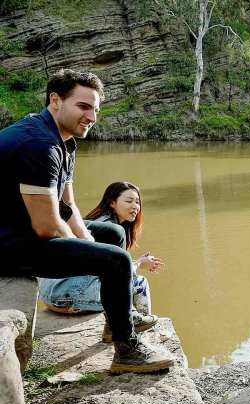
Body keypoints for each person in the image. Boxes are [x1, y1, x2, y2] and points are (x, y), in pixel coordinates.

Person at [0, 69, 173, 374]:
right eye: (83, 106)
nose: (92, 116)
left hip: (24, 226)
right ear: (55, 100)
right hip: (9, 243)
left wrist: (89, 242)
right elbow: (47, 226)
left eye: (95, 108)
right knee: (116, 261)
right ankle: (127, 352)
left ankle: (116, 320)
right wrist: (94, 256)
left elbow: (68, 205)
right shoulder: (39, 145)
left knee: (112, 232)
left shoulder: (65, 140)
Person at [38, 181, 165, 343]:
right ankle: (137, 337)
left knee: (123, 280)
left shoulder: (97, 223)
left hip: (54, 294)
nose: (135, 206)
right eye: (129, 201)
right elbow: (118, 275)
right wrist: (139, 262)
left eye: (137, 202)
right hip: (66, 296)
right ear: (112, 203)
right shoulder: (109, 229)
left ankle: (114, 329)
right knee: (139, 284)